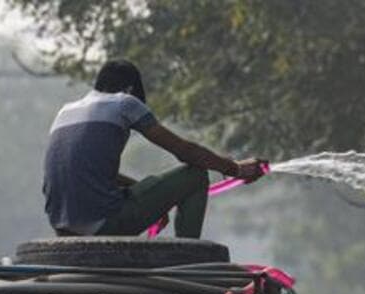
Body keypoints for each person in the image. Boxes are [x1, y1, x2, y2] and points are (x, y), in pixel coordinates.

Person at [43, 59, 267, 238]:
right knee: (196, 175)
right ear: (130, 88)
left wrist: (152, 199)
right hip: (104, 224)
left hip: (62, 229)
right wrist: (236, 169)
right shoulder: (124, 103)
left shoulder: (66, 111)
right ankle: (187, 256)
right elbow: (185, 151)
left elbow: (92, 173)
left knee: (156, 185)